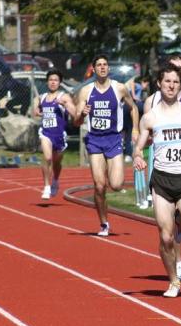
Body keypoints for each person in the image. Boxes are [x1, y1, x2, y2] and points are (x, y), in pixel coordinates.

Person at [133, 64, 181, 297]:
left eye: (175, 82)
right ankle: (173, 280)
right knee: (165, 237)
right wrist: (138, 157)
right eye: (167, 81)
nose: (171, 85)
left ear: (180, 84)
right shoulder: (150, 117)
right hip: (162, 182)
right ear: (159, 83)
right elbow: (139, 147)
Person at [74, 54, 139, 236]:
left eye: (105, 64)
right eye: (99, 65)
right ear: (93, 69)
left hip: (113, 139)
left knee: (117, 185)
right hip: (94, 140)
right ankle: (104, 223)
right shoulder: (86, 91)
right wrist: (82, 115)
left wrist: (135, 129)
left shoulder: (119, 88)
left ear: (108, 68)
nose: (102, 67)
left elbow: (133, 107)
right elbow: (76, 122)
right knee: (99, 185)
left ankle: (112, 185)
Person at [34, 69, 77, 200]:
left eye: (56, 80)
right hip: (46, 133)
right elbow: (35, 111)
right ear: (47, 82)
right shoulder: (40, 98)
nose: (53, 82)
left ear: (59, 83)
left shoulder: (64, 97)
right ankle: (46, 186)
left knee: (57, 162)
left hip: (59, 135)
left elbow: (75, 114)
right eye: (51, 80)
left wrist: (64, 105)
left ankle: (55, 180)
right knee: (47, 158)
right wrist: (37, 111)